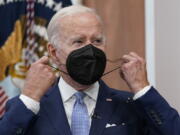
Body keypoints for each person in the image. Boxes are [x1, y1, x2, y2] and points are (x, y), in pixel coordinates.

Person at [0, 5, 179, 135]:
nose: (90, 50)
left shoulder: (131, 105)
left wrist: (143, 89)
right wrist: (30, 96)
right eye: (78, 41)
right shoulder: (29, 107)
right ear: (53, 52)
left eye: (97, 41)